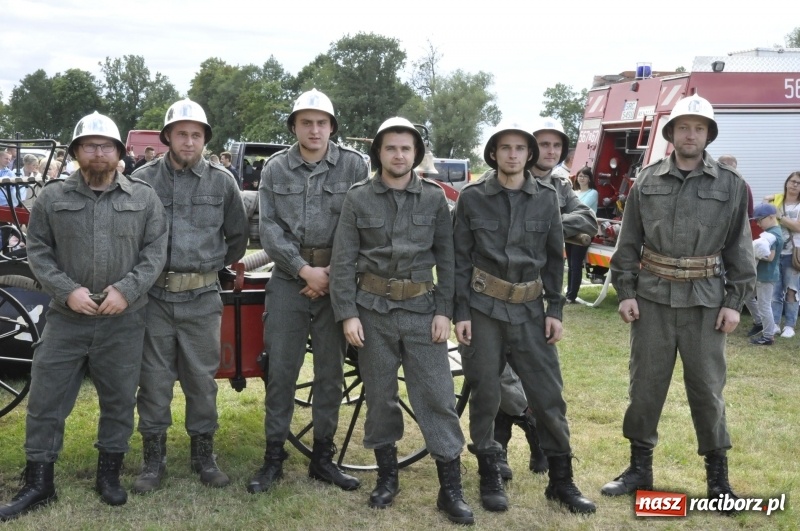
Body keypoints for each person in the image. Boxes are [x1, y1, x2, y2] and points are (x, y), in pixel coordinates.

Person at [0, 112, 167, 521]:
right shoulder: (53, 197)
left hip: (123, 319)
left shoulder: (143, 197)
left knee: (118, 398)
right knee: (45, 398)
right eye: (89, 146)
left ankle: (108, 476)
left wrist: (125, 292)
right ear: (76, 152)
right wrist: (67, 290)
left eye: (105, 146)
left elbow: (155, 253)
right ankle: (39, 481)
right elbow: (37, 250)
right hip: (66, 317)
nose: (97, 153)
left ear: (118, 152)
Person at [603, 95, 755, 513]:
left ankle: (718, 479)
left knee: (707, 390)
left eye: (699, 128)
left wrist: (734, 302)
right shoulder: (647, 180)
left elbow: (740, 249)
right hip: (651, 300)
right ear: (671, 134)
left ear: (708, 134)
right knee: (645, 387)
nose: (691, 135)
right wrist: (627, 291)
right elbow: (628, 242)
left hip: (706, 304)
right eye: (683, 127)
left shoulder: (729, 184)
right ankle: (639, 470)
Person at [329, 117, 474, 524]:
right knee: (379, 397)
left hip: (421, 312)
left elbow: (447, 260)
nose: (398, 155)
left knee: (437, 396)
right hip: (371, 313)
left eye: (406, 149)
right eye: (391, 148)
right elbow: (342, 261)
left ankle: (451, 489)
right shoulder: (358, 199)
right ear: (379, 152)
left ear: (416, 155)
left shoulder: (433, 199)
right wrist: (347, 315)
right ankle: (387, 478)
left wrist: (445, 310)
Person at [453, 120, 596, 515]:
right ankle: (489, 471)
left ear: (528, 155)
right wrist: (460, 312)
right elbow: (459, 260)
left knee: (548, 395)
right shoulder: (473, 198)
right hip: (484, 309)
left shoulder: (547, 198)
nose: (513, 154)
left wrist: (555, 309)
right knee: (485, 392)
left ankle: (561, 480)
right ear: (494, 154)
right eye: (505, 148)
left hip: (531, 311)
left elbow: (555, 259)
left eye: (520, 148)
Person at [248, 89, 367, 495]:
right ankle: (273, 457)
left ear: (332, 126)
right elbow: (270, 230)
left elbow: (361, 224)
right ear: (294, 126)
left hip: (337, 280)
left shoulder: (354, 165)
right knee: (281, 371)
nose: (314, 130)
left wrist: (330, 274)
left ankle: (322, 458)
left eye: (322, 122)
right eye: (306, 122)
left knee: (331, 374)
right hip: (288, 279)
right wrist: (303, 270)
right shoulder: (276, 169)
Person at [132, 98, 248, 493]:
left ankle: (203, 455)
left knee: (202, 380)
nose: (188, 141)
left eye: (196, 135)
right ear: (167, 137)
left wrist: (209, 264)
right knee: (154, 380)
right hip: (154, 298)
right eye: (181, 134)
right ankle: (154, 459)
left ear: (204, 139)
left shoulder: (222, 181)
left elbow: (237, 237)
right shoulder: (144, 179)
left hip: (201, 297)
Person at [492, 118, 597, 482]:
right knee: (497, 376)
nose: (550, 152)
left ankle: (539, 447)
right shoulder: (500, 181)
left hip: (534, 297)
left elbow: (587, 220)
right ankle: (500, 449)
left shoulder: (558, 187)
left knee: (533, 376)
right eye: (544, 145)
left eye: (557, 146)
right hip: (493, 296)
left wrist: (544, 224)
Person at [764, 171, 800, 339]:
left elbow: (798, 227)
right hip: (775, 251)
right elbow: (764, 212)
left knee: (792, 290)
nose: (795, 185)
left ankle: (790, 325)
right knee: (775, 290)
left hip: (793, 253)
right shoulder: (777, 199)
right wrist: (767, 200)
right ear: (787, 182)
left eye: (798, 183)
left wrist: (781, 216)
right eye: (792, 181)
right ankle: (775, 324)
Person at [744, 204, 783, 345]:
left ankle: (768, 336)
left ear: (772, 217)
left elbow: (770, 257)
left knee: (764, 306)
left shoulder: (772, 235)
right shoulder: (774, 232)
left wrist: (752, 252)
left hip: (766, 276)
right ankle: (760, 322)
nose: (757, 223)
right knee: (747, 296)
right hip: (762, 275)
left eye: (760, 220)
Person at [565, 167, 598, 303]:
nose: (581, 178)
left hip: (584, 231)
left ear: (589, 179)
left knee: (576, 263)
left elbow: (579, 208)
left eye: (584, 176)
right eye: (579, 176)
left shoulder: (593, 193)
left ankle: (571, 296)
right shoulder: (574, 192)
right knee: (570, 264)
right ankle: (569, 293)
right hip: (571, 230)